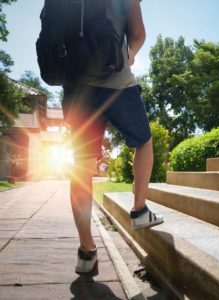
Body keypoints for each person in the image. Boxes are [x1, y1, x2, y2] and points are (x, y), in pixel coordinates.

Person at [61, 0, 164, 276]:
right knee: (143, 141)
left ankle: (86, 252)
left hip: (76, 87)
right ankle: (140, 210)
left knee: (81, 165)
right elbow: (139, 34)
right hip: (116, 81)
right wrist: (128, 56)